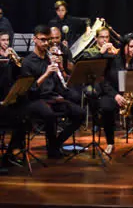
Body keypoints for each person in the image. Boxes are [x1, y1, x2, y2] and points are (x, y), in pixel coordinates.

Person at [20, 25, 86, 158]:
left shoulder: (49, 58)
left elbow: (58, 84)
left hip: (52, 97)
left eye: (48, 41)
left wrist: (60, 69)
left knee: (80, 113)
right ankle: (53, 148)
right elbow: (29, 89)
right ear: (35, 40)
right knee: (49, 115)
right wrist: (46, 73)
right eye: (43, 40)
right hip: (35, 99)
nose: (46, 44)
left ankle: (55, 143)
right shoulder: (27, 62)